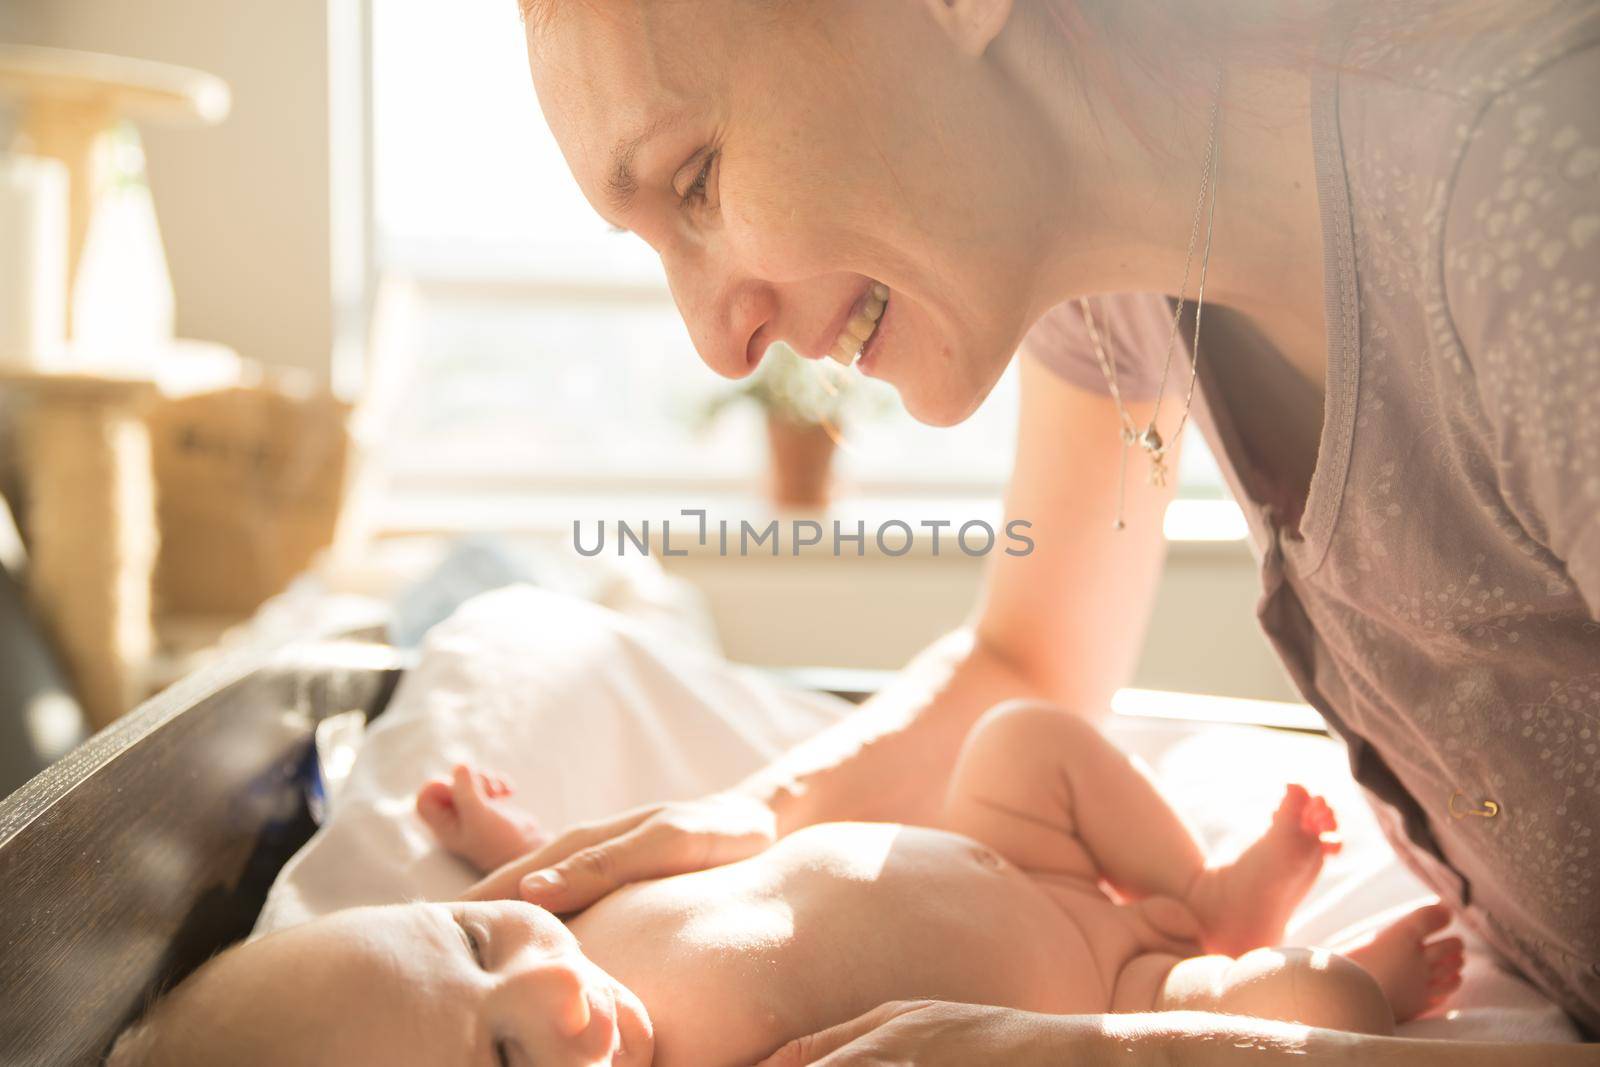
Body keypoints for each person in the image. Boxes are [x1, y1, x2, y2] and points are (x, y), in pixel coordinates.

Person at [470, 0, 1600, 1059]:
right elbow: (1032, 661)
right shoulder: (1111, 264)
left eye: (699, 179)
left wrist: (1089, 1049)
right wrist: (749, 818)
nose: (717, 344)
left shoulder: (1536, 212)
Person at [109, 702, 1507, 1066]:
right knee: (1290, 997)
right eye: (503, 1054)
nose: (543, 976)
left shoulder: (568, 929)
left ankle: (1202, 880)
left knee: (1026, 742)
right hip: (1106, 989)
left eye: (479, 934)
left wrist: (505, 844)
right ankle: (1302, 960)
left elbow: (580, 865)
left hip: (1015, 848)